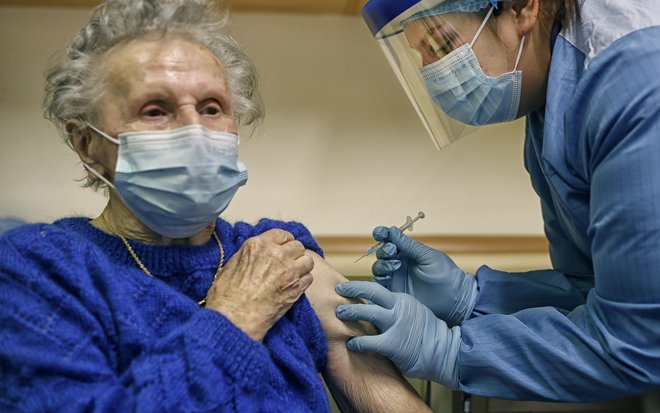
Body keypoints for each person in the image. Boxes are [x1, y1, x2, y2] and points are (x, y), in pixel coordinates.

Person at [0, 1, 433, 411]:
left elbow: (377, 389)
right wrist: (236, 316)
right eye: (155, 110)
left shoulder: (276, 254)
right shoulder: (39, 271)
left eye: (211, 108)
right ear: (87, 144)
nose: (195, 131)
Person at [336, 0, 660, 403]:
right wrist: (473, 299)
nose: (433, 74)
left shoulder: (636, 85)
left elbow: (639, 340)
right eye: (420, 55)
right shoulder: (551, 102)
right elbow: (593, 289)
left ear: (523, 9)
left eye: (441, 44)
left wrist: (448, 351)